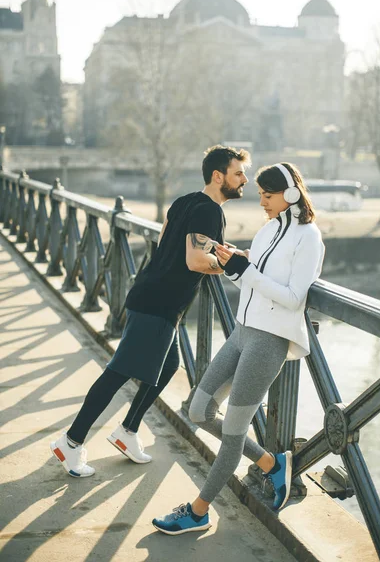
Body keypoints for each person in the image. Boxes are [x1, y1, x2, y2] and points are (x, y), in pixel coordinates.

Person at [50, 145, 250, 478]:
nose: (245, 180)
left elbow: (168, 241)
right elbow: (194, 260)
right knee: (118, 372)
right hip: (160, 304)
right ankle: (71, 442)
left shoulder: (184, 202)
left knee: (169, 365)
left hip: (151, 295)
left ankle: (127, 431)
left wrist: (219, 251)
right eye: (239, 173)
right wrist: (232, 265)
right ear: (219, 176)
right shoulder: (211, 211)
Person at [152, 162, 325, 535]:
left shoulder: (309, 238)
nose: (260, 200)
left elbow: (295, 299)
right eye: (260, 193)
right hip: (242, 332)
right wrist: (236, 264)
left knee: (233, 431)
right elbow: (252, 280)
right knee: (199, 410)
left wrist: (248, 272)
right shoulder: (267, 230)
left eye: (267, 195)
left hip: (269, 342)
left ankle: (198, 511)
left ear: (290, 194)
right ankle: (272, 464)